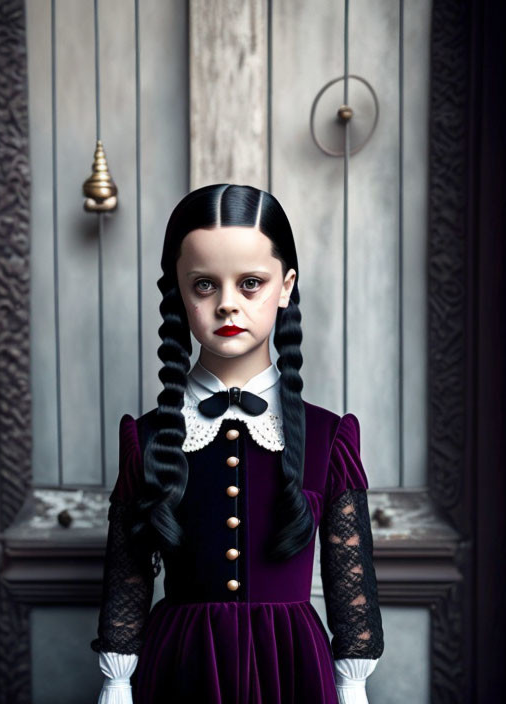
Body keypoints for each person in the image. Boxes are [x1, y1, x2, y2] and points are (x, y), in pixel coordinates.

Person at [91, 184, 384, 703]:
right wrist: (116, 681)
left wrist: (353, 685)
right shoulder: (149, 437)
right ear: (178, 294)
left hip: (290, 666)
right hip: (181, 665)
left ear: (286, 286)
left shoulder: (328, 437)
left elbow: (349, 588)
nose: (227, 305)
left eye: (250, 284)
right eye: (204, 286)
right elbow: (128, 576)